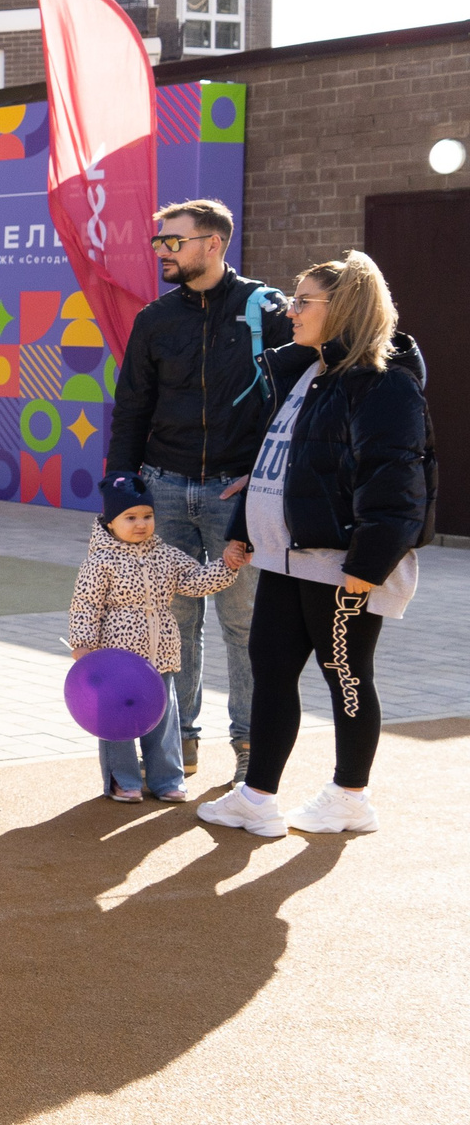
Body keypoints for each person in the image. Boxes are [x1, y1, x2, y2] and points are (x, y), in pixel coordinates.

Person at [201, 252, 428, 840]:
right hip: (286, 558)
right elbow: (282, 463)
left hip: (341, 566)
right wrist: (244, 532)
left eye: (303, 301)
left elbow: (395, 484)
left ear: (344, 307)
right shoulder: (306, 371)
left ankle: (350, 797)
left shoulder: (383, 384)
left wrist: (367, 569)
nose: (289, 310)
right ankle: (257, 798)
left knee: (346, 675)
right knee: (271, 670)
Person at [104, 198, 294, 785]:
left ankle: (247, 750)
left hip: (236, 496)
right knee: (172, 626)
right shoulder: (155, 319)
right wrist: (120, 488)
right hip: (162, 489)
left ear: (212, 244)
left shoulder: (268, 312)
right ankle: (175, 749)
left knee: (244, 626)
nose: (161, 251)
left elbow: (290, 404)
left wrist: (262, 474)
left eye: (173, 241)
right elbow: (132, 407)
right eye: (159, 241)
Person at [68, 474, 244, 803]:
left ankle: (167, 779)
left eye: (147, 516)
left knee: (162, 718)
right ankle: (123, 779)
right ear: (110, 522)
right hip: (116, 661)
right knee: (117, 722)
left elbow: (196, 581)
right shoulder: (100, 561)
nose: (141, 524)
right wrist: (83, 643)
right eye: (130, 518)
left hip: (159, 656)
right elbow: (86, 604)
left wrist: (227, 565)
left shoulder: (164, 554)